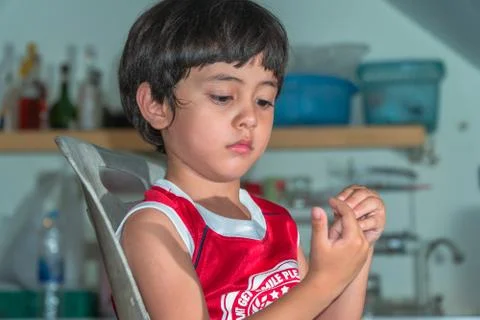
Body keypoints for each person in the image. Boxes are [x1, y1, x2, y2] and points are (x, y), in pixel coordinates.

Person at [116, 0, 386, 319]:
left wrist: (355, 253)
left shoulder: (277, 222)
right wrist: (323, 281)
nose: (250, 118)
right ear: (157, 105)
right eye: (223, 97)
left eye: (263, 100)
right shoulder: (155, 228)